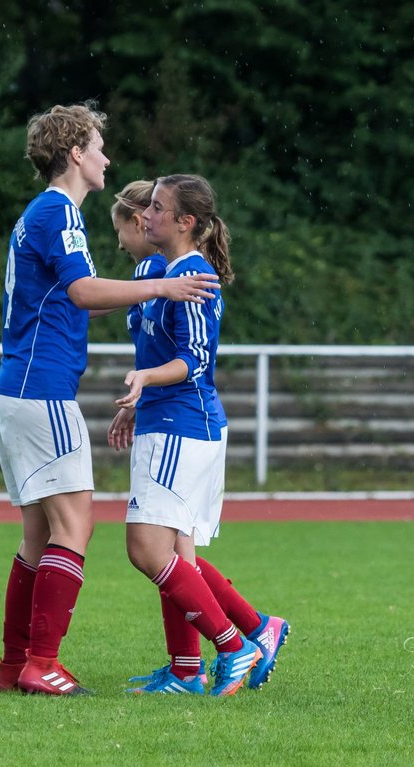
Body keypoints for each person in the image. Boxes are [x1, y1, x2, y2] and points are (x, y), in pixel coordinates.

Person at [0, 105, 221, 696]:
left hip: (20, 388)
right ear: (74, 154)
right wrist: (162, 283)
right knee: (76, 526)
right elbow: (84, 290)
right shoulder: (59, 211)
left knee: (38, 537)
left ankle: (16, 664)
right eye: (96, 146)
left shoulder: (41, 213)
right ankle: (41, 662)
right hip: (41, 389)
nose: (106, 158)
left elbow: (79, 297)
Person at [106, 174, 290, 696]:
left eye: (158, 208)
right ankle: (194, 667)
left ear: (185, 222)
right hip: (165, 420)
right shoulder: (155, 270)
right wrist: (140, 398)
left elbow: (194, 360)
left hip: (183, 426)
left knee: (147, 550)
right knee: (176, 559)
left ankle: (236, 644)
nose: (146, 216)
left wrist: (144, 381)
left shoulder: (194, 276)